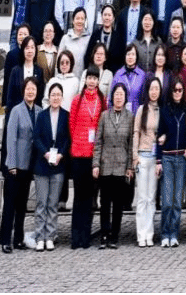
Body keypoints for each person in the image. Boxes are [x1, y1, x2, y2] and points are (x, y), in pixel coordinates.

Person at [92, 82, 134, 249]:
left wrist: (129, 167)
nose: (118, 97)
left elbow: (131, 144)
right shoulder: (104, 116)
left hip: (121, 165)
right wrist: (96, 164)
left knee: (118, 203)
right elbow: (98, 142)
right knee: (105, 202)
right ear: (112, 97)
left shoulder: (130, 117)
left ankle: (114, 235)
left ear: (125, 98)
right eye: (116, 94)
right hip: (106, 164)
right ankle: (104, 234)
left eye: (121, 95)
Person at [69, 68, 106, 249]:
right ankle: (75, 237)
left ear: (98, 81)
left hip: (93, 155)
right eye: (89, 78)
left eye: (94, 78)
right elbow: (71, 124)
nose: (91, 81)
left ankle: (85, 236)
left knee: (89, 198)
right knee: (78, 196)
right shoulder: (77, 100)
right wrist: (79, 140)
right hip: (78, 153)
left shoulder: (101, 101)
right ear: (85, 80)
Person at [0, 78, 38, 253]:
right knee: (10, 204)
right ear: (23, 91)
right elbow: (11, 139)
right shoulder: (16, 110)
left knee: (22, 205)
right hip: (15, 166)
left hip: (28, 165)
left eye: (33, 89)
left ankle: (18, 239)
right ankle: (5, 240)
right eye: (28, 89)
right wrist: (12, 164)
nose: (30, 92)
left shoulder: (39, 111)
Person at [32, 82, 70, 252]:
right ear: (49, 97)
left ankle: (50, 236)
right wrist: (45, 153)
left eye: (58, 95)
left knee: (53, 203)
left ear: (62, 97)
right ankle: (40, 237)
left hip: (58, 165)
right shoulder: (41, 115)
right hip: (42, 165)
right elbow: (36, 138)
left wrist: (61, 154)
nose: (55, 98)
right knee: (41, 203)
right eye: (53, 95)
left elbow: (68, 139)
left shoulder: (66, 116)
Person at [157, 77, 186, 247]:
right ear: (170, 92)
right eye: (175, 90)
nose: (178, 93)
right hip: (167, 158)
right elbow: (159, 136)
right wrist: (158, 160)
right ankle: (165, 234)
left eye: (180, 90)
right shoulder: (165, 110)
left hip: (181, 158)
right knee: (167, 201)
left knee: (178, 201)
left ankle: (174, 234)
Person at [132, 77, 162, 247]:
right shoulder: (141, 110)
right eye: (151, 89)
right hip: (143, 156)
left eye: (157, 88)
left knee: (151, 198)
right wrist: (134, 156)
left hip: (155, 158)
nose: (154, 92)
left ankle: (149, 234)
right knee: (142, 198)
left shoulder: (161, 110)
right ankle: (140, 234)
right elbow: (136, 132)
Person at [4, 37, 44, 118]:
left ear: (35, 50)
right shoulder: (15, 71)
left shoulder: (39, 71)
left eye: (32, 47)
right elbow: (10, 98)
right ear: (23, 50)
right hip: (17, 115)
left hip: (34, 115)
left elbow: (40, 96)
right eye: (27, 48)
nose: (30, 51)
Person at [85, 4, 121, 72]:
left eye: (109, 15)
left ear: (113, 18)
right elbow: (88, 56)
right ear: (101, 17)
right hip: (95, 73)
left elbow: (120, 59)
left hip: (112, 73)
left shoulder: (118, 37)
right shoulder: (95, 35)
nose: (107, 18)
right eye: (105, 15)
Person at [113, 45, 147, 117]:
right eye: (128, 54)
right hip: (120, 115)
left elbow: (144, 99)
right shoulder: (118, 74)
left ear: (136, 57)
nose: (130, 57)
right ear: (125, 56)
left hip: (137, 115)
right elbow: (111, 97)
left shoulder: (142, 75)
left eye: (133, 54)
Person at [58, 7, 92, 77]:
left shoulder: (89, 39)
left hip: (82, 79)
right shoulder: (65, 38)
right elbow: (58, 62)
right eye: (77, 18)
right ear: (73, 21)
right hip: (66, 79)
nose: (80, 21)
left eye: (82, 19)